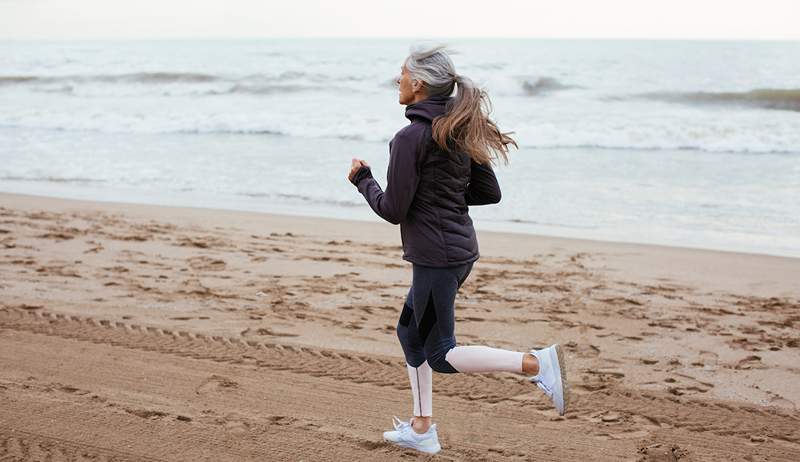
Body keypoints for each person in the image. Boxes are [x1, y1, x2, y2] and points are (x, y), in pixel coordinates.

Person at [346, 44, 569, 455]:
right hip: (456, 252)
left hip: (437, 259)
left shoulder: (410, 137)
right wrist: (440, 197)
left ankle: (535, 364)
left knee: (441, 354)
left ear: (419, 83)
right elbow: (489, 192)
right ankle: (421, 428)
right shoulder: (456, 129)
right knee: (409, 334)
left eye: (402, 74)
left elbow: (393, 209)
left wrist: (363, 179)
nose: (398, 81)